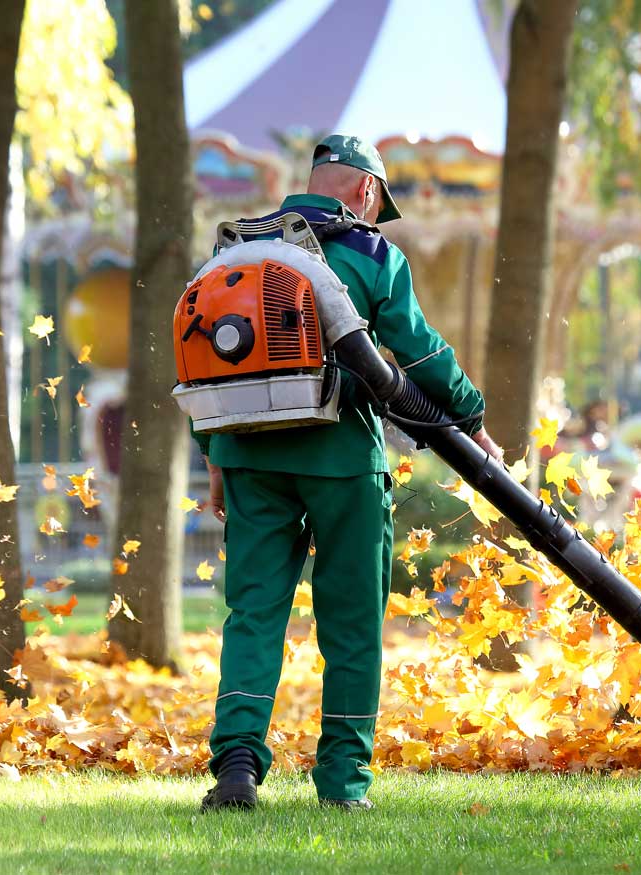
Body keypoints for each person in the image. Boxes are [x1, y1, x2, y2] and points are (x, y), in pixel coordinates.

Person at [194, 135, 502, 812]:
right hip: (342, 462)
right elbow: (418, 355)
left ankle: (238, 764)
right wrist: (472, 419)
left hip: (248, 456)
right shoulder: (370, 252)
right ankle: (342, 782)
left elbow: (205, 359)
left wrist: (214, 455)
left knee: (253, 615)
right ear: (366, 191)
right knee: (353, 622)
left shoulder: (234, 251)